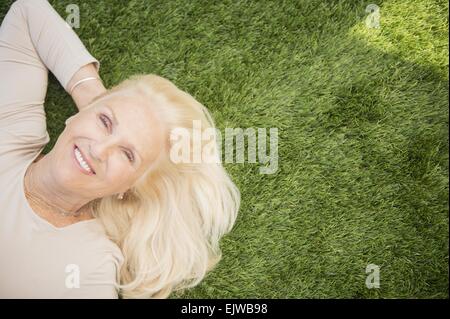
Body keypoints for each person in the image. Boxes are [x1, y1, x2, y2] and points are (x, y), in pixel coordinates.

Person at [0, 0, 240, 298]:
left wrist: (105, 114)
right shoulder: (11, 126)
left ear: (131, 187)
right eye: (104, 122)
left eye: (128, 154)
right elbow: (27, 12)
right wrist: (94, 97)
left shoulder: (89, 268)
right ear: (80, 113)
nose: (100, 149)